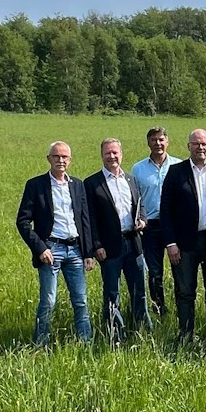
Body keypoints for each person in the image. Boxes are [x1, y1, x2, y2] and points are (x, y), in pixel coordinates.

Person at [14, 141, 95, 347]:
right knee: (48, 301)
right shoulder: (36, 185)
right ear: (49, 159)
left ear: (70, 160)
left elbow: (85, 219)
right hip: (51, 250)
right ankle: (41, 345)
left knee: (81, 301)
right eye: (56, 156)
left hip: (75, 250)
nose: (61, 160)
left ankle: (86, 344)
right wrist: (40, 248)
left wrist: (88, 252)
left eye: (65, 157)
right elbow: (22, 221)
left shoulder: (77, 185)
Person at [159, 128, 206, 344]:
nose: (200, 147)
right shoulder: (175, 172)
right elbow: (166, 210)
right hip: (184, 243)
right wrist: (170, 243)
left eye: (204, 144)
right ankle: (186, 335)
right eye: (196, 143)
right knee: (185, 291)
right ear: (188, 146)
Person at [86, 137, 148, 339]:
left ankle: (142, 330)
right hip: (110, 247)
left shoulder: (130, 179)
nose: (112, 156)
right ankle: (115, 334)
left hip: (134, 244)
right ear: (101, 155)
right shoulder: (92, 183)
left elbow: (141, 206)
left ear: (121, 154)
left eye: (115, 153)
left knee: (139, 290)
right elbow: (90, 218)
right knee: (112, 293)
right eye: (107, 153)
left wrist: (142, 220)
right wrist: (96, 245)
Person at [130, 127, 176, 319]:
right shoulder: (138, 169)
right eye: (153, 140)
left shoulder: (178, 165)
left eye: (161, 139)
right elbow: (135, 198)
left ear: (167, 141)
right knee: (154, 271)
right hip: (150, 226)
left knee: (179, 268)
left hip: (174, 226)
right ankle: (159, 310)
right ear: (148, 142)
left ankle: (181, 306)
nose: (158, 143)